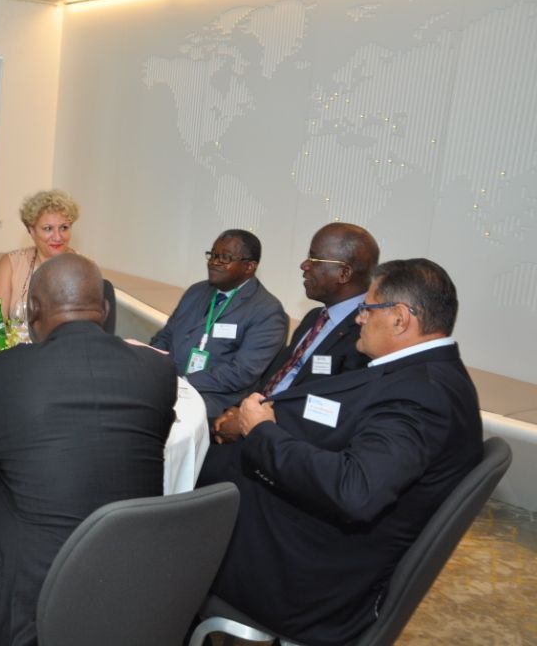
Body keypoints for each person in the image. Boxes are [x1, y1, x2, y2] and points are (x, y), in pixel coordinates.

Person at [199, 258, 483, 645]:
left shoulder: (425, 395)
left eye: (367, 308)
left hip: (305, 579)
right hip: (314, 541)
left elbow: (355, 490)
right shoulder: (422, 374)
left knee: (171, 514)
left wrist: (262, 432)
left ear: (400, 318)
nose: (358, 318)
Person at [0, 254, 177, 646]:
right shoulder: (157, 371)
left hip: (28, 598)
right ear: (105, 311)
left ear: (33, 310)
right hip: (129, 578)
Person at [212, 223, 379, 442]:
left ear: (344, 273)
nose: (304, 265)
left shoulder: (366, 335)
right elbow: (274, 378)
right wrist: (240, 410)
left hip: (281, 442)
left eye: (314, 259)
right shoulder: (314, 317)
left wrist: (253, 425)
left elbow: (330, 414)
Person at [149, 229, 287, 419]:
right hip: (170, 383)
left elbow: (241, 372)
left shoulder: (267, 311)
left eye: (225, 258)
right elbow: (165, 337)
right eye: (213, 255)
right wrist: (152, 367)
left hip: (214, 398)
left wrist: (183, 382)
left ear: (249, 267)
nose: (214, 262)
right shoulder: (196, 291)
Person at [0, 189, 80, 323]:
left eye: (64, 228)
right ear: (31, 231)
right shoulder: (11, 264)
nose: (57, 237)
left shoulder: (84, 268)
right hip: (18, 336)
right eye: (48, 228)